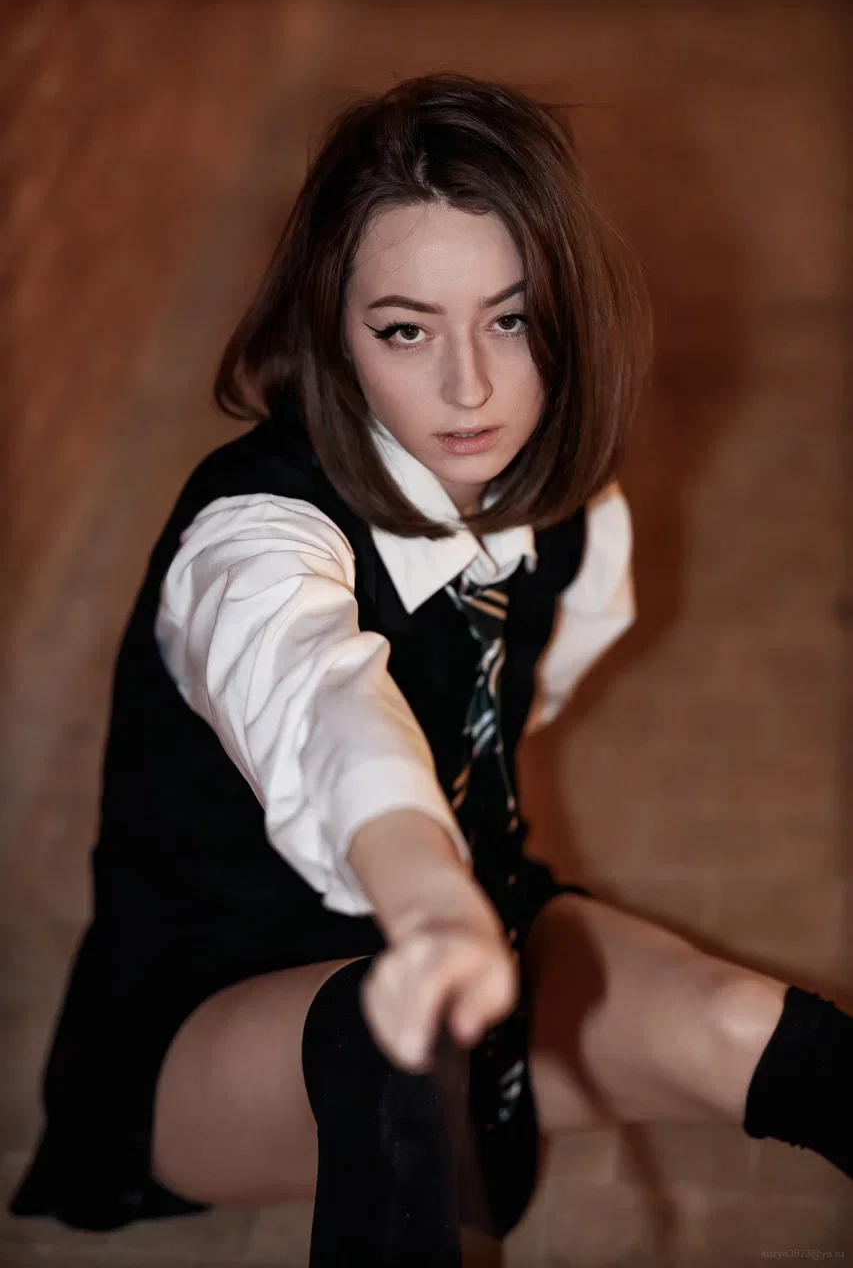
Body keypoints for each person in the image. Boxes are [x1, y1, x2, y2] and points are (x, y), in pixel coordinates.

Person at [9, 72, 851, 1264]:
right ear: (330, 331)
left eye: (509, 318)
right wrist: (426, 900)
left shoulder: (571, 516)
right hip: (223, 1011)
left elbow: (517, 704)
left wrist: (467, 914)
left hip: (471, 929)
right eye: (405, 329)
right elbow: (327, 704)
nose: (471, 388)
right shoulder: (252, 540)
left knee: (748, 1026)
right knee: (390, 1043)